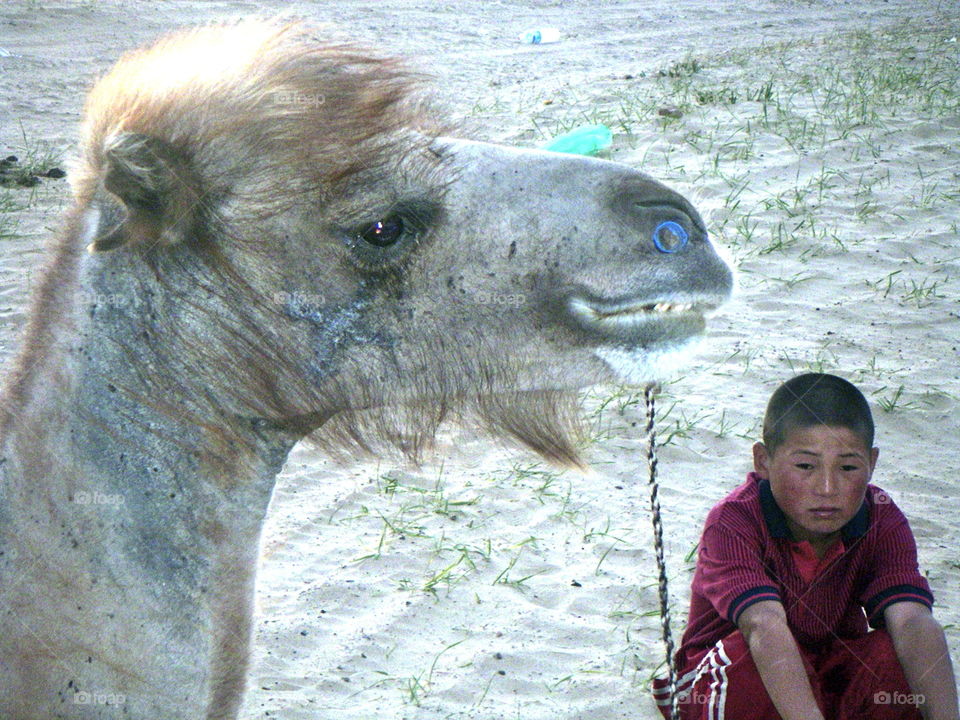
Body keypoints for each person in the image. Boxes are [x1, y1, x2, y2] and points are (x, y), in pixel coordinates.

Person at [653, 373, 959, 720]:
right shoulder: (734, 520)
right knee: (747, 659)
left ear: (871, 463)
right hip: (731, 679)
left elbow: (912, 622)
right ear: (763, 461)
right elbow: (763, 626)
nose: (827, 487)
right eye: (805, 466)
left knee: (892, 655)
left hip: (825, 671)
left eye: (847, 467)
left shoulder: (881, 517)